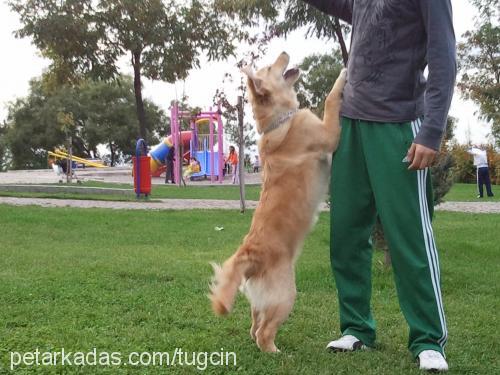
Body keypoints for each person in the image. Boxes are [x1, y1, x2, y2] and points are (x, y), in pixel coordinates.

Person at [303, 0, 456, 371]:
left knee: (410, 238)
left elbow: (444, 59)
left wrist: (432, 130)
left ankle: (428, 339)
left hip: (399, 124)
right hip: (352, 122)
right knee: (347, 234)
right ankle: (356, 328)